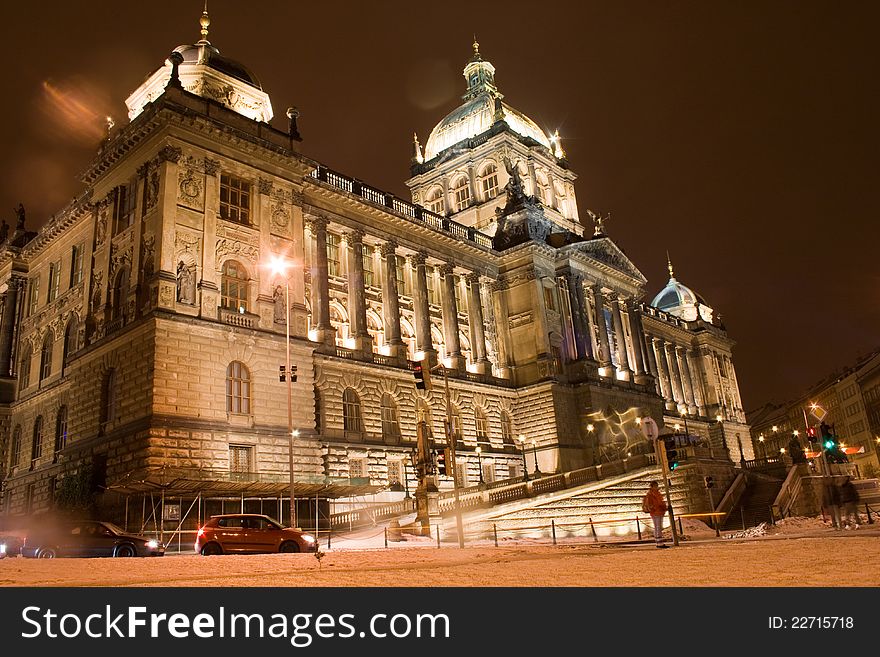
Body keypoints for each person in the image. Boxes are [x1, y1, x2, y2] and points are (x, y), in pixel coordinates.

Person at [642, 481, 669, 548]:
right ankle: (659, 543)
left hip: (658, 512)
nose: (656, 487)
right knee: (658, 527)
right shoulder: (651, 494)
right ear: (652, 486)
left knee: (658, 527)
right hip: (656, 512)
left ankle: (658, 542)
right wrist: (660, 507)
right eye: (655, 486)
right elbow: (655, 504)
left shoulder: (656, 493)